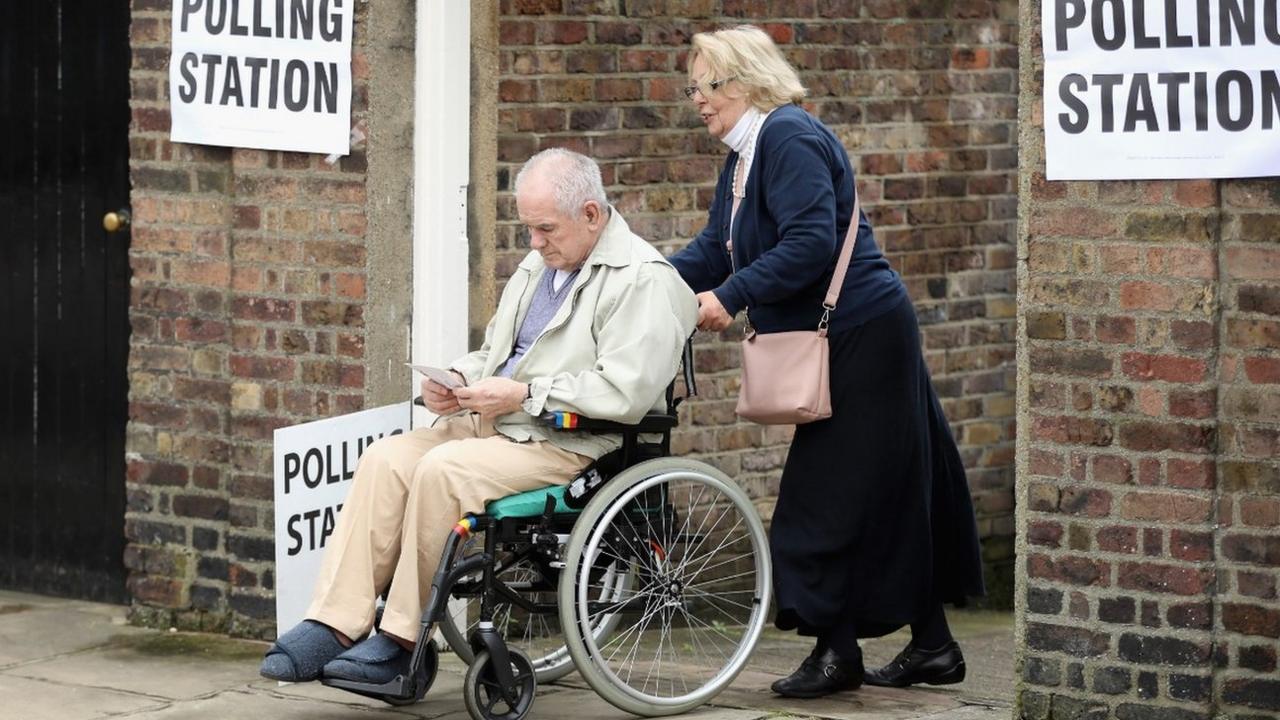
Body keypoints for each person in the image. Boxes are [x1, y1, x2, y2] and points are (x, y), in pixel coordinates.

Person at [259, 148, 698, 685]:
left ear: (590, 214)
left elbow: (624, 392)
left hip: (573, 443)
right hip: (504, 422)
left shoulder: (644, 280)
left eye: (544, 228)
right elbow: (499, 353)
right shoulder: (543, 265)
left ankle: (402, 641)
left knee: (442, 473)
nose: (533, 243)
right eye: (529, 228)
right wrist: (459, 381)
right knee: (386, 458)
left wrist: (522, 394)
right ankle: (334, 621)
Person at [668, 25, 986, 698]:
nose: (698, 99)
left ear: (748, 80)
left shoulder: (788, 137)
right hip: (851, 334)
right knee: (891, 495)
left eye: (709, 85)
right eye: (693, 87)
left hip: (862, 335)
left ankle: (837, 655)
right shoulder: (746, 155)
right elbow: (719, 245)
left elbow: (811, 242)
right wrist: (647, 278)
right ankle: (932, 645)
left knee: (820, 505)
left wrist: (732, 297)